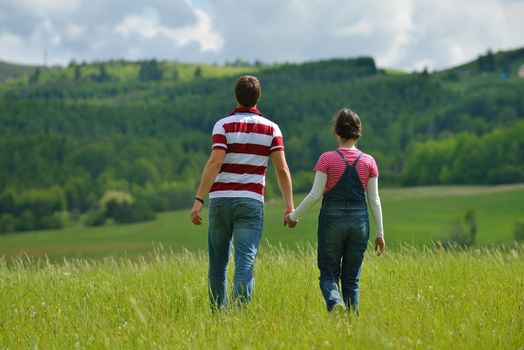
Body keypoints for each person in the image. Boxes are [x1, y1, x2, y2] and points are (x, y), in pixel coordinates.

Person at [191, 75, 294, 310]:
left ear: (235, 97)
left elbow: (215, 162)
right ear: (258, 98)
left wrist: (199, 199)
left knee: (218, 264)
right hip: (250, 202)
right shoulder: (272, 129)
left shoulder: (223, 125)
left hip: (220, 201)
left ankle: (219, 315)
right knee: (245, 263)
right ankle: (239, 316)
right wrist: (289, 206)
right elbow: (282, 169)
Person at [285, 107, 385, 315]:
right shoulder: (369, 161)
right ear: (358, 132)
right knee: (351, 280)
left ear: (337, 132)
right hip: (360, 222)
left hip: (332, 221)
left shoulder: (327, 159)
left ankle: (334, 301)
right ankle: (351, 326)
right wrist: (379, 234)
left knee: (329, 274)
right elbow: (374, 201)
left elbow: (315, 195)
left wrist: (293, 216)